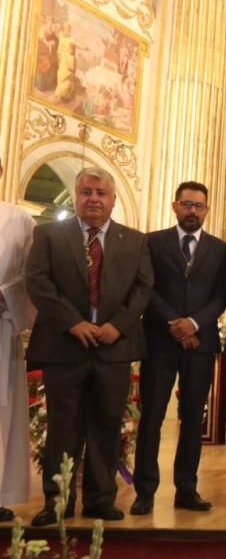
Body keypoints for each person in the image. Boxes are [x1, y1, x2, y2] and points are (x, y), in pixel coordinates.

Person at [26, 167, 153, 526]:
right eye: (86, 192)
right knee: (63, 425)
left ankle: (100, 499)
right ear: (76, 196)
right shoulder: (49, 235)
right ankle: (58, 501)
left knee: (107, 424)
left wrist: (117, 326)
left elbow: (143, 289)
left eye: (101, 193)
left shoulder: (135, 240)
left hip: (113, 348)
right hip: (64, 346)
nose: (94, 198)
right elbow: (38, 282)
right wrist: (74, 323)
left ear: (113, 200)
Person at [130, 182, 226, 516]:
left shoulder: (219, 248)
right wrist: (175, 322)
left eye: (199, 206)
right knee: (152, 416)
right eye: (187, 204)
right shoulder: (153, 242)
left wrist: (195, 324)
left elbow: (222, 294)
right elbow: (147, 288)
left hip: (200, 343)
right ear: (175, 206)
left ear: (207, 210)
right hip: (160, 340)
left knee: (192, 419)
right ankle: (144, 490)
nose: (192, 211)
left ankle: (186, 488)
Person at [0, 158, 36, 521]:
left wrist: (4, 295)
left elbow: (31, 273)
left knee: (1, 412)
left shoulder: (19, 219)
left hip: (2, 325)